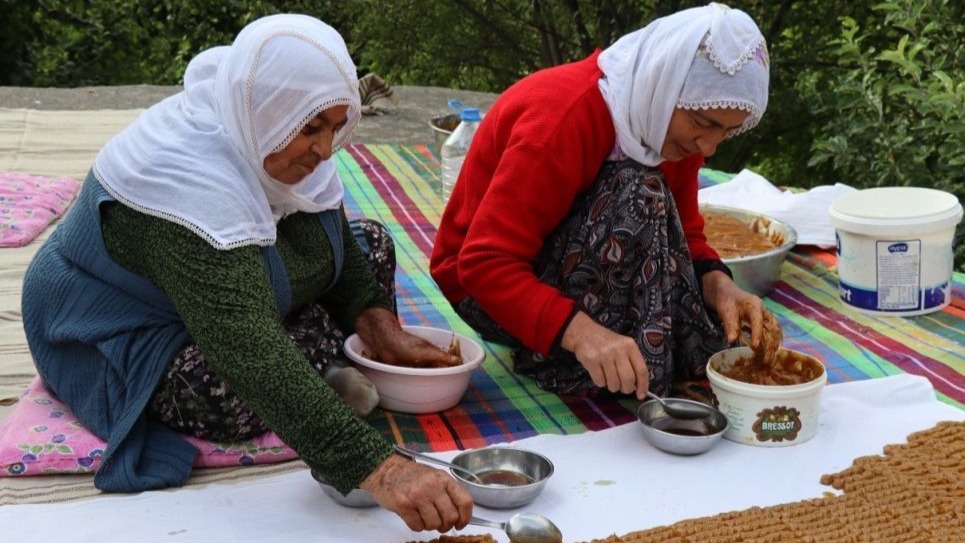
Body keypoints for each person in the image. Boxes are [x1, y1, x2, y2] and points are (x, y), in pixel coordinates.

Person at [21, 14, 472, 534]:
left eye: (335, 126)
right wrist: (380, 468)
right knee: (225, 393)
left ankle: (312, 366)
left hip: (218, 290)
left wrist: (379, 327)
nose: (326, 150)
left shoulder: (266, 123)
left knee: (370, 245)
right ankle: (309, 376)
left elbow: (333, 231)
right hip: (118, 328)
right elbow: (244, 344)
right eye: (310, 130)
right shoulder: (183, 182)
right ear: (271, 114)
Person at [430, 3, 782, 401]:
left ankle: (624, 345)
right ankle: (571, 352)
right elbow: (483, 264)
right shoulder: (562, 118)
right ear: (664, 85)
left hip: (560, 263)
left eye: (727, 132)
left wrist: (719, 286)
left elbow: (682, 231)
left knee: (648, 198)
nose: (710, 146)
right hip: (486, 293)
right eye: (704, 123)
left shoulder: (667, 129)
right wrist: (582, 334)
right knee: (636, 190)